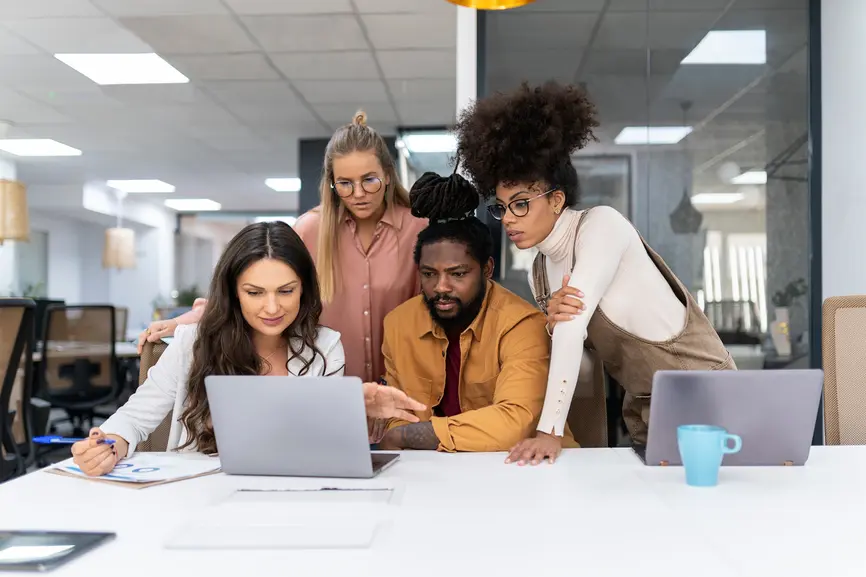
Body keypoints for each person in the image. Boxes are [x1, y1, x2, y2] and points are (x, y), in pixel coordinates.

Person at [454, 81, 735, 465]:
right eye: (502, 207)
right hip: (649, 408)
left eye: (521, 204)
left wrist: (548, 432)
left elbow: (572, 331)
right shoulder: (542, 267)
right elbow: (578, 354)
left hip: (708, 401)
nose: (509, 219)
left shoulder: (602, 226)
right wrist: (552, 329)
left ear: (556, 200)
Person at [72, 222, 425, 477]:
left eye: (286, 291)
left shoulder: (325, 346)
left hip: (291, 496)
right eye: (254, 293)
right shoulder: (192, 343)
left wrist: (352, 409)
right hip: (198, 497)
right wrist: (108, 445)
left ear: (304, 290)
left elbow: (320, 444)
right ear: (233, 292)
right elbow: (134, 418)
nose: (272, 308)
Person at [138, 111, 428, 385]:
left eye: (369, 180)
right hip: (323, 391)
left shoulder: (419, 230)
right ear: (331, 184)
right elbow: (254, 286)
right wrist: (184, 321)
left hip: (401, 393)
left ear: (388, 175)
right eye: (345, 184)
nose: (359, 193)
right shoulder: (309, 230)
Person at [376, 171, 578, 453]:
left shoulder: (522, 324)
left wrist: (408, 437)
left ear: (487, 270)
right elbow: (398, 418)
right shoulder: (399, 324)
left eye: (457, 274)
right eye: (429, 274)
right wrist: (402, 435)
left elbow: (513, 423)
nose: (441, 287)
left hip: (524, 469)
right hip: (438, 471)